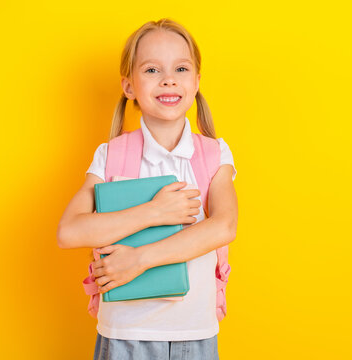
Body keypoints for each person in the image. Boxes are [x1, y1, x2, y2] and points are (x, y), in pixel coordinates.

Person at [57, 18, 238, 360]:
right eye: (152, 70)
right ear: (128, 86)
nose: (168, 79)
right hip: (125, 333)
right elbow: (69, 231)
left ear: (196, 81)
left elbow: (224, 226)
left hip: (194, 333)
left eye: (181, 68)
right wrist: (155, 212)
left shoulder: (215, 154)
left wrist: (139, 260)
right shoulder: (111, 155)